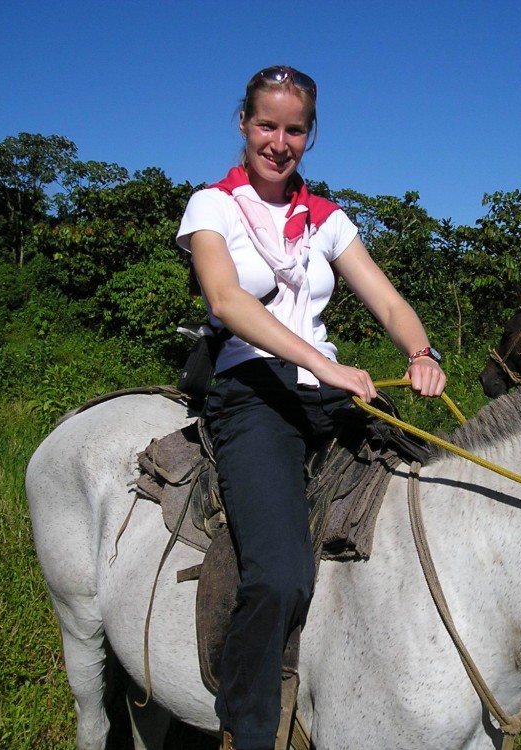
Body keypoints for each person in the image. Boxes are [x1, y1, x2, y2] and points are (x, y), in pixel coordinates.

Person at [175, 65, 446, 750]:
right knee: (280, 573)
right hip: (252, 394)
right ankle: (248, 726)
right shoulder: (213, 205)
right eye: (267, 124)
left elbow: (385, 301)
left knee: (435, 491)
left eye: (295, 129)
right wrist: (321, 363)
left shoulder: (326, 218)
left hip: (324, 393)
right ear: (243, 123)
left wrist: (422, 351)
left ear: (310, 135)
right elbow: (226, 301)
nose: (279, 140)